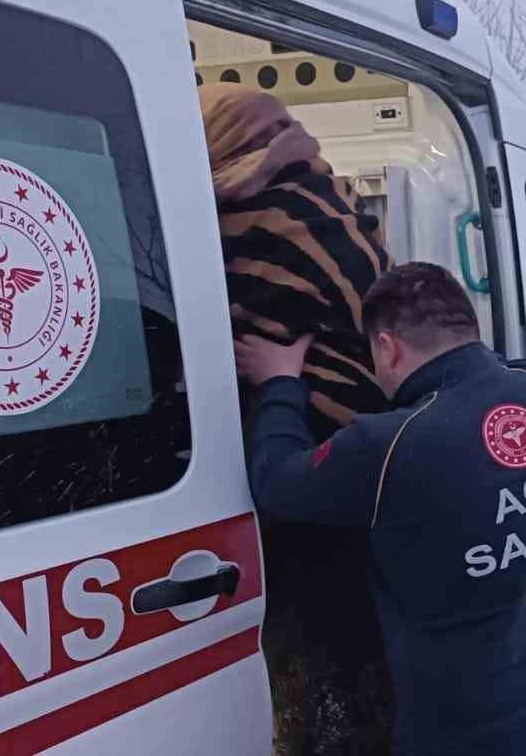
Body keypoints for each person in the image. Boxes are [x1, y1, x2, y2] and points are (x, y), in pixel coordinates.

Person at [234, 263, 526, 756]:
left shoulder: (390, 447)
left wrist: (280, 382)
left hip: (494, 734)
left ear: (387, 347)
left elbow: (276, 479)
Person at [201, 85, 394, 753]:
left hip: (295, 478)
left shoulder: (217, 227)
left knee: (315, 695)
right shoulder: (341, 213)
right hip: (365, 480)